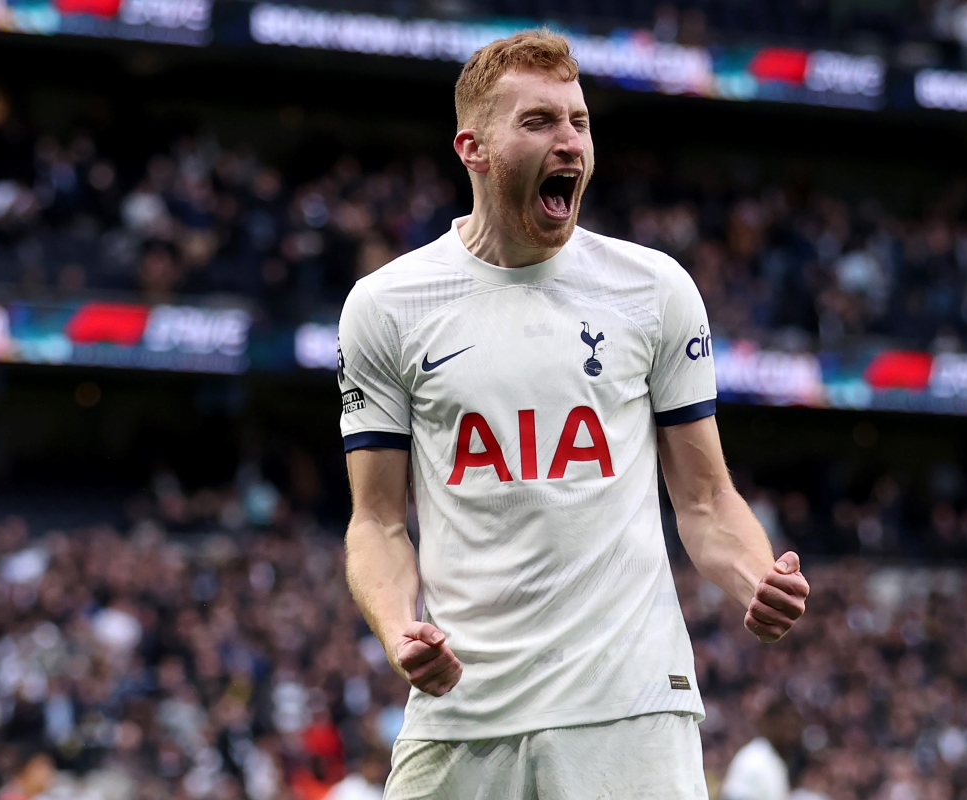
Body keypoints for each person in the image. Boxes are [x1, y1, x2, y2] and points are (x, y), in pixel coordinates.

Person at [339, 30, 811, 798]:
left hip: (628, 709)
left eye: (579, 122)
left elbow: (704, 499)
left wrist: (757, 575)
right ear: (473, 147)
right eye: (539, 123)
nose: (570, 142)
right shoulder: (388, 307)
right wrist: (398, 630)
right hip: (463, 710)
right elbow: (378, 523)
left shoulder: (652, 290)